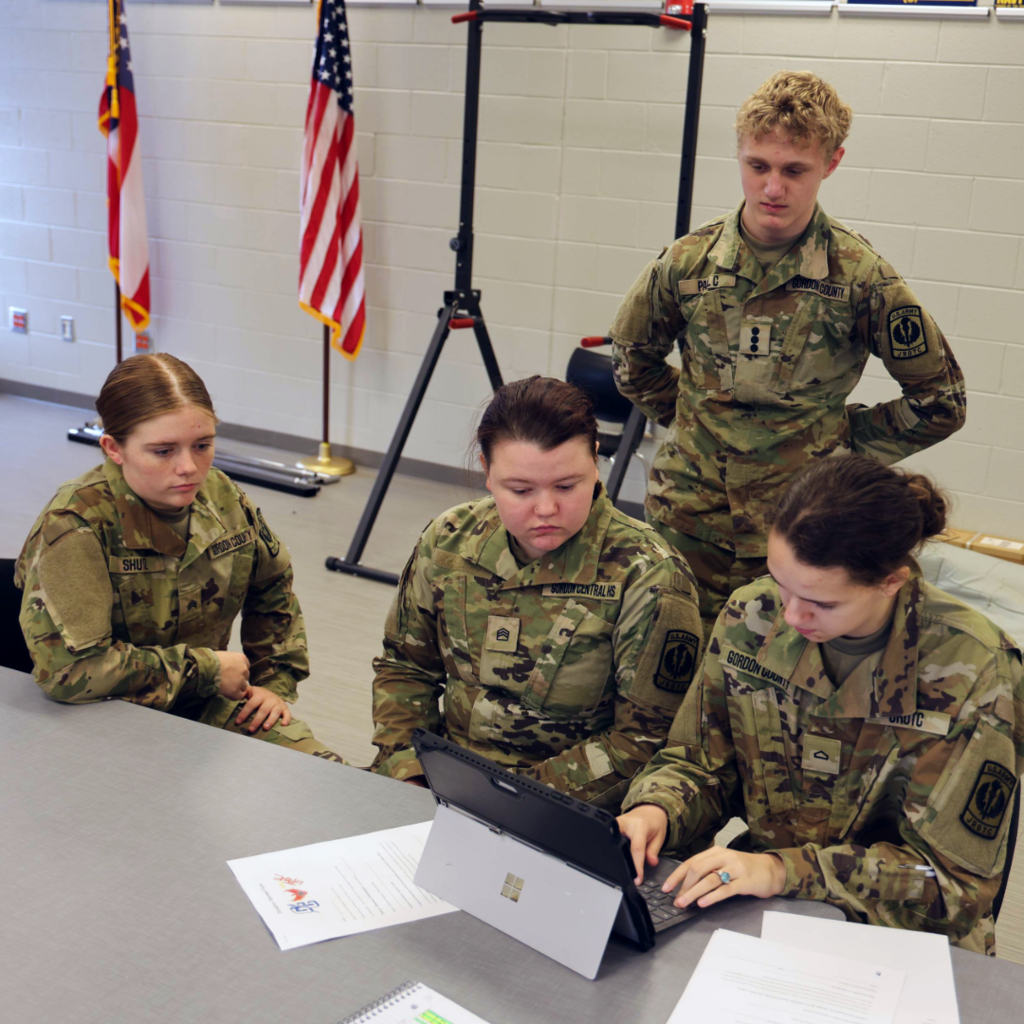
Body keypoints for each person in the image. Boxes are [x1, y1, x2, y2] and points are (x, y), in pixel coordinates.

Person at [616, 456, 1023, 955]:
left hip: (900, 940)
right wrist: (658, 806)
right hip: (768, 906)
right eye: (781, 583)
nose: (790, 615)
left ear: (890, 582)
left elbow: (951, 886)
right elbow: (698, 763)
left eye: (822, 603)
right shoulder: (753, 615)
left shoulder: (976, 670)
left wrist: (785, 870)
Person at [610, 70, 966, 634]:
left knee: (775, 686)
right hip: (686, 517)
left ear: (831, 163)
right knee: (667, 665)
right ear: (740, 157)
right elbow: (632, 360)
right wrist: (694, 417)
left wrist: (842, 444)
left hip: (802, 530)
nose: (773, 188)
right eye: (758, 166)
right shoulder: (686, 262)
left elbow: (941, 399)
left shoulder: (862, 277)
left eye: (794, 170)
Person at [370, 376, 703, 810]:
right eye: (521, 490)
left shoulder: (648, 575)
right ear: (487, 474)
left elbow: (644, 741)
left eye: (567, 486)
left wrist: (506, 802)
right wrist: (407, 772)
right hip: (440, 783)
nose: (546, 509)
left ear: (596, 462)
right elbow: (405, 668)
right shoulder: (449, 540)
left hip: (569, 806)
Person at [16, 353, 345, 764]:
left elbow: (272, 586)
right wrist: (206, 669)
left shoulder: (221, 497)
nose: (189, 468)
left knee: (322, 777)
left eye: (202, 445)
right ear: (113, 448)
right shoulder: (76, 526)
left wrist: (272, 684)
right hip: (102, 712)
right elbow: (70, 672)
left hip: (201, 701)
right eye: (163, 451)